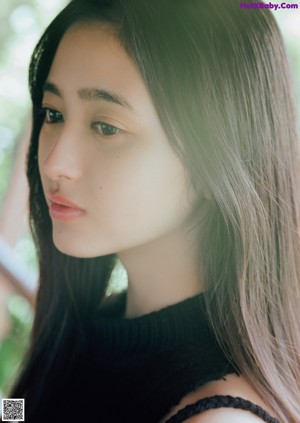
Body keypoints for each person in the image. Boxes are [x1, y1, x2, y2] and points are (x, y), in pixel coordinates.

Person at [9, 0, 300, 421]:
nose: (55, 162)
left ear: (216, 155)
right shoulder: (97, 325)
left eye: (106, 127)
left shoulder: (216, 416)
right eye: (53, 114)